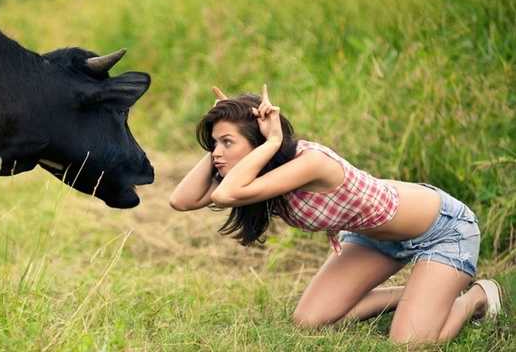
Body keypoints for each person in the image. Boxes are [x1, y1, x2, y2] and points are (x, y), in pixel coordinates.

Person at [169, 85, 503, 345]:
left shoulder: (309, 162)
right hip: (373, 238)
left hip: (441, 230)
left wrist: (271, 141)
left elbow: (225, 195)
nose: (217, 153)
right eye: (215, 144)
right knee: (310, 319)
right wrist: (222, 139)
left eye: (227, 143)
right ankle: (421, 294)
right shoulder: (252, 172)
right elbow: (181, 200)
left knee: (411, 343)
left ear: (258, 144)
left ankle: (475, 296)